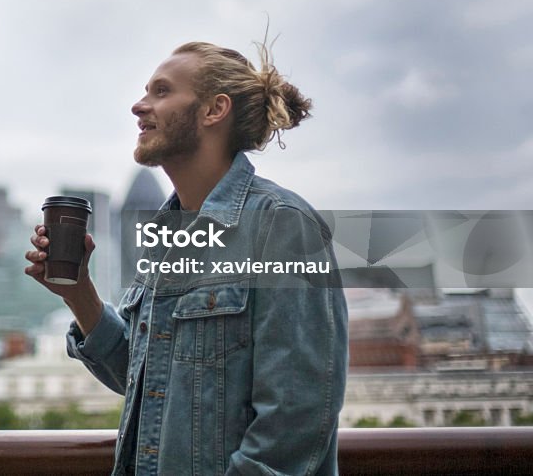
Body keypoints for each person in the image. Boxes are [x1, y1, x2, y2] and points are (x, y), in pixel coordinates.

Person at [26, 39, 348, 475]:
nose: (139, 106)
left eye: (161, 92)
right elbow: (150, 381)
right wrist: (79, 294)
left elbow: (293, 425)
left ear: (214, 110)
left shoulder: (282, 227)